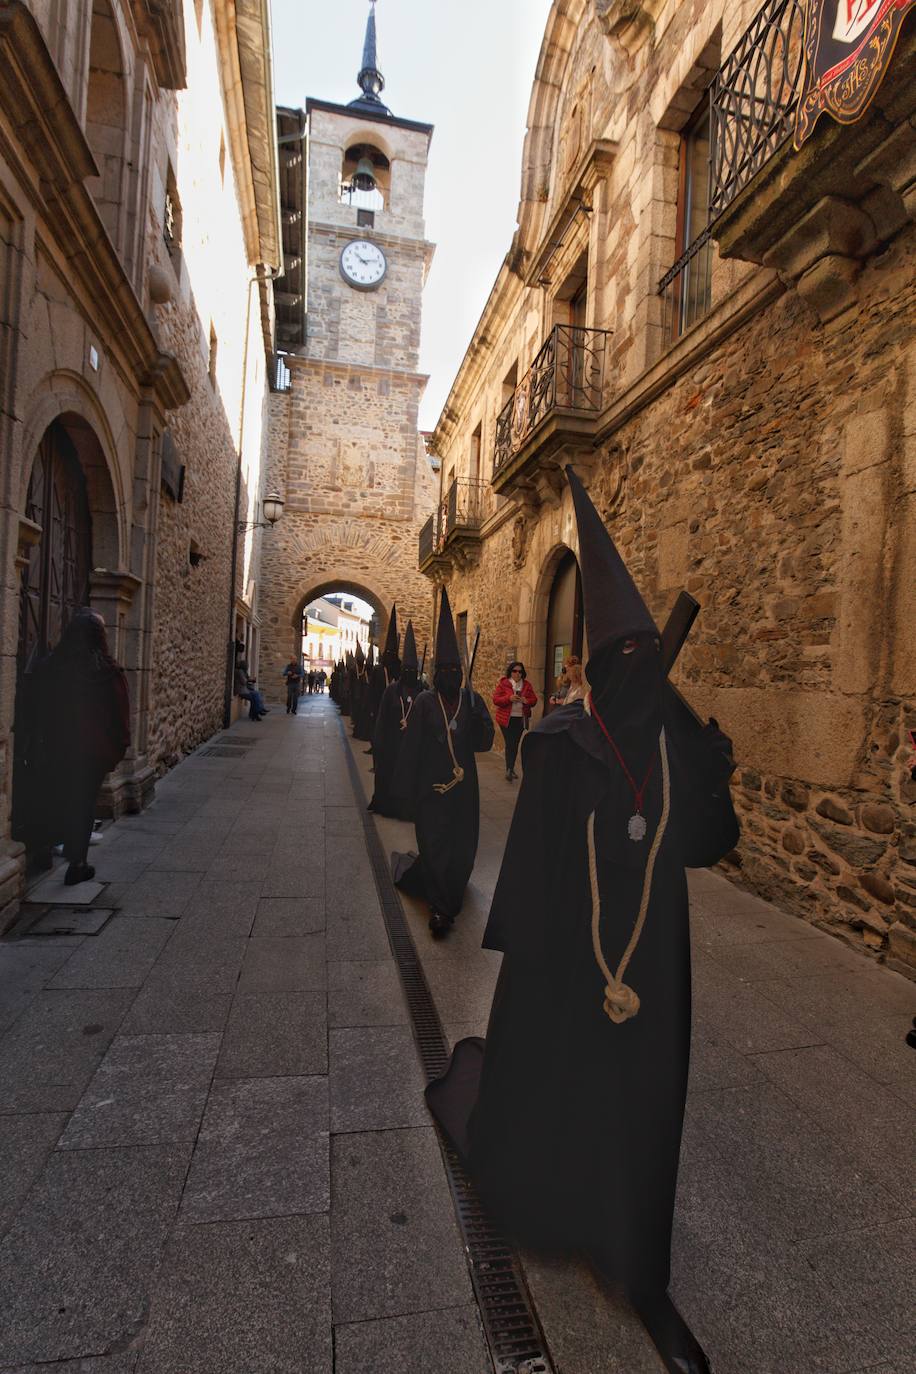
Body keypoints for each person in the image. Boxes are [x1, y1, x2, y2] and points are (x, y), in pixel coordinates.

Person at [425, 468, 739, 1374]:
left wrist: (714, 768)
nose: (641, 678)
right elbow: (527, 876)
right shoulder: (562, 746)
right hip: (571, 961)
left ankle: (643, 1271)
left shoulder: (672, 753)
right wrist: (526, 986)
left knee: (644, 1111)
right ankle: (561, 1205)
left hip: (656, 969)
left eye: (651, 662)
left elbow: (709, 845)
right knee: (570, 1093)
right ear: (600, 669)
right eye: (625, 663)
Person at [391, 588, 494, 938]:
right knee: (434, 844)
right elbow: (411, 748)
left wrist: (481, 723)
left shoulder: (472, 700)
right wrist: (405, 791)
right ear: (437, 673)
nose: (451, 673)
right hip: (431, 789)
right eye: (445, 669)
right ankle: (440, 908)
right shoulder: (424, 702)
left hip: (465, 792)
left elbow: (484, 743)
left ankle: (452, 887)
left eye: (455, 669)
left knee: (462, 844)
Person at [23, 609, 131, 886]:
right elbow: (119, 716)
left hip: (56, 748)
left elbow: (36, 708)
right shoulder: (108, 673)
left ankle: (45, 850)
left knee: (52, 796)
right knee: (83, 804)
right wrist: (116, 749)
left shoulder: (52, 668)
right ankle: (78, 862)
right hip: (91, 753)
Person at [370, 618, 419, 819]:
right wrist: (379, 742)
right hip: (392, 741)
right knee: (390, 773)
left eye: (413, 671)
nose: (409, 674)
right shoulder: (392, 691)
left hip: (412, 744)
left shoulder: (422, 692)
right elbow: (383, 718)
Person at [492, 662, 538, 781]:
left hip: (520, 719)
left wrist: (526, 700)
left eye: (520, 671)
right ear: (510, 672)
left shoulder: (527, 685)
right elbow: (496, 700)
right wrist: (509, 698)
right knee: (510, 743)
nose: (517, 673)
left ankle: (510, 769)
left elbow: (534, 700)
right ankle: (509, 769)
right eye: (515, 671)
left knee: (515, 743)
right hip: (506, 720)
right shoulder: (504, 684)